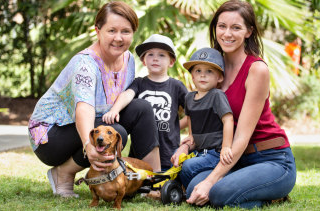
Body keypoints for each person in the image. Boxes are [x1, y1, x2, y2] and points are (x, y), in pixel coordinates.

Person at [28, 1, 161, 198]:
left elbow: (123, 101)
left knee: (141, 108)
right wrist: (88, 146)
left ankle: (150, 182)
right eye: (111, 30)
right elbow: (84, 108)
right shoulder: (85, 64)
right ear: (98, 31)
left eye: (125, 31)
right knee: (117, 134)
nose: (118, 38)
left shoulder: (129, 60)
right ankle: (63, 173)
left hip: (94, 123)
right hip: (50, 136)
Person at [171, 0, 296, 209]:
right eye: (222, 26)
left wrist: (211, 180)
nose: (227, 33)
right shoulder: (212, 69)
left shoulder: (256, 70)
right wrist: (186, 143)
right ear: (215, 28)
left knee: (216, 192)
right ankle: (244, 189)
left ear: (248, 31)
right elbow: (200, 117)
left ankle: (269, 193)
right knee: (194, 187)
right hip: (235, 161)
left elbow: (241, 136)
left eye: (236, 27)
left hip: (271, 159)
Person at [102, 34, 188, 171]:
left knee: (164, 183)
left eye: (161, 55)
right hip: (139, 154)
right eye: (150, 54)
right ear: (143, 60)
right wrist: (114, 110)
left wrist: (176, 126)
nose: (155, 58)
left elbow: (194, 113)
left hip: (168, 152)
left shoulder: (177, 86)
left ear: (171, 61)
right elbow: (127, 95)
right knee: (134, 182)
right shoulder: (139, 83)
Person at [171, 47, 234, 188]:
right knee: (176, 156)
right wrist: (191, 136)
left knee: (188, 166)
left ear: (219, 77)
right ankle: (177, 186)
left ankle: (183, 189)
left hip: (215, 153)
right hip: (199, 151)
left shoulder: (217, 96)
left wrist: (226, 147)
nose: (202, 75)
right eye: (198, 71)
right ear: (192, 76)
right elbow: (190, 118)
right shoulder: (189, 98)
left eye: (209, 71)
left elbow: (228, 119)